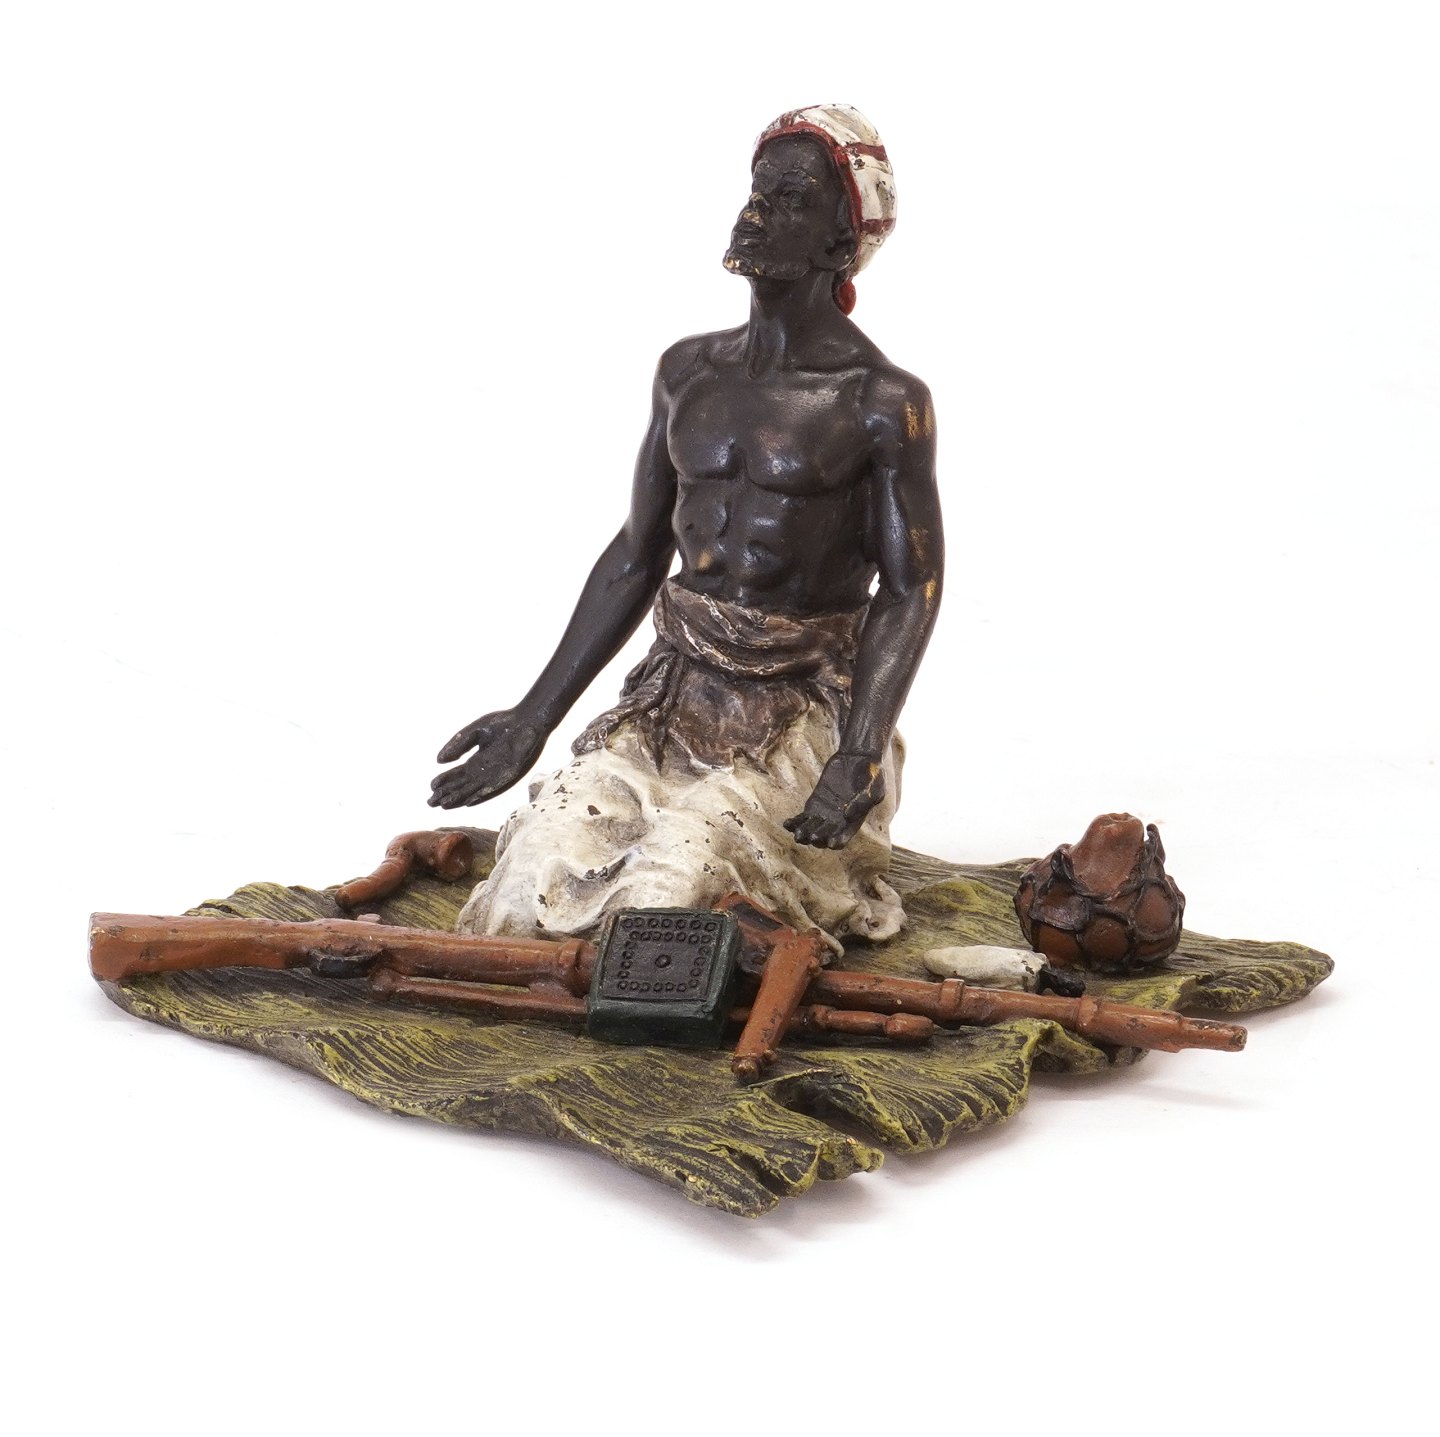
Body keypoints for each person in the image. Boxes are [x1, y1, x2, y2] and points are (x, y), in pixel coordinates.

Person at [428, 105, 943, 947]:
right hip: (674, 693)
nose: (757, 210)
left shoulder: (881, 402)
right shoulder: (687, 371)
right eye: (757, 189)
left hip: (798, 707)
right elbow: (637, 553)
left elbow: (912, 585)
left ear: (840, 240)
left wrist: (857, 754)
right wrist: (533, 716)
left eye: (791, 197)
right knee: (524, 887)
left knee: (669, 898)